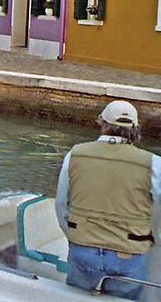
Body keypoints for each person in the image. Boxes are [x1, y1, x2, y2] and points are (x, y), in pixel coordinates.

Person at [55, 100, 161, 300]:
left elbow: (61, 203)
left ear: (102, 124)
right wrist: (154, 239)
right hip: (128, 253)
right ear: (135, 129)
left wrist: (74, 236)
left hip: (82, 249)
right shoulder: (153, 163)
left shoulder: (75, 154)